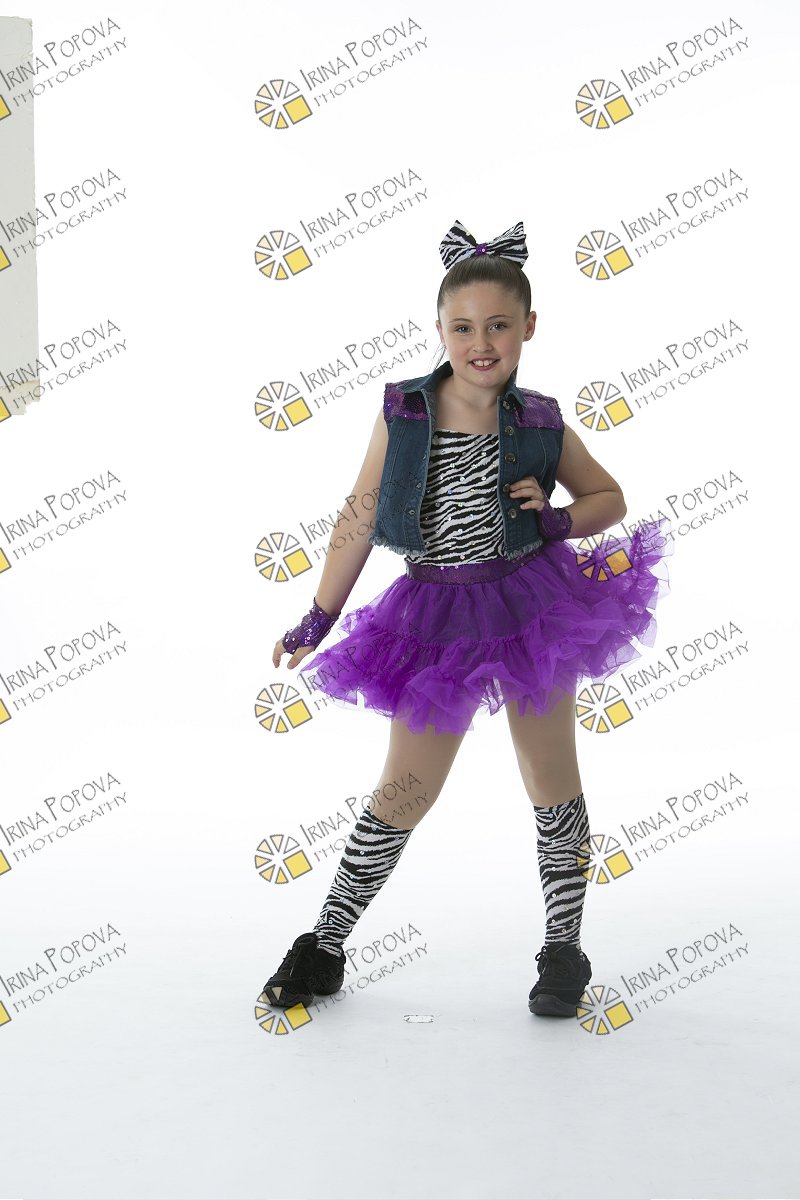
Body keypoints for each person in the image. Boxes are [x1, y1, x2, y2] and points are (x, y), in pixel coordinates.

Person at [262, 218, 673, 1018]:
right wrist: (318, 615)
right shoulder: (404, 412)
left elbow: (609, 497)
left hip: (529, 606)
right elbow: (360, 512)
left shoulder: (541, 421)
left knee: (550, 777)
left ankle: (563, 948)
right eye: (463, 328)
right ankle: (325, 945)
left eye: (498, 326)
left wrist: (557, 519)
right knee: (405, 788)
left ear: (529, 326)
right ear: (440, 328)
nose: (481, 344)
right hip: (434, 617)